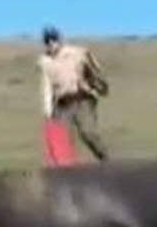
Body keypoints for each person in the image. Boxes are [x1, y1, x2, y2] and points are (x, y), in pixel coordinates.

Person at [36, 25, 110, 161]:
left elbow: (93, 69)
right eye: (47, 41)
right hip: (63, 104)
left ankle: (106, 160)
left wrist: (99, 84)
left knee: (88, 133)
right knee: (60, 138)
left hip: (82, 99)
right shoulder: (45, 62)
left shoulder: (76, 53)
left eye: (53, 40)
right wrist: (48, 111)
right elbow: (47, 87)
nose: (51, 44)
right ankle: (67, 171)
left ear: (59, 40)